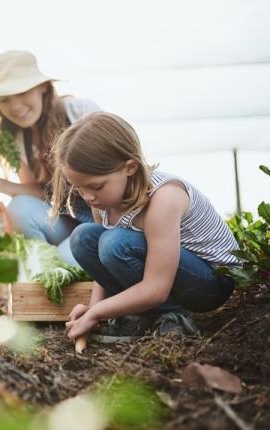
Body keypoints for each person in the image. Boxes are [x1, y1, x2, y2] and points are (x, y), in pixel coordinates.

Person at [50, 112, 240, 342]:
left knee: (114, 243)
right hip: (168, 274)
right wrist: (94, 308)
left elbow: (156, 287)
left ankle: (174, 316)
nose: (87, 196)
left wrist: (97, 313)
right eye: (79, 188)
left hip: (211, 281)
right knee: (83, 238)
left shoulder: (164, 198)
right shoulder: (102, 201)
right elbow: (102, 268)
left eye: (96, 186)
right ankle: (141, 314)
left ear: (129, 167)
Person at [0, 50, 100, 265]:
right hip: (67, 223)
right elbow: (37, 193)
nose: (15, 106)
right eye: (5, 99)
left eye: (22, 92)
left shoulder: (81, 113)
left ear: (43, 87)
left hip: (104, 221)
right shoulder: (18, 138)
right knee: (20, 207)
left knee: (67, 259)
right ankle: (44, 268)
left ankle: (62, 264)